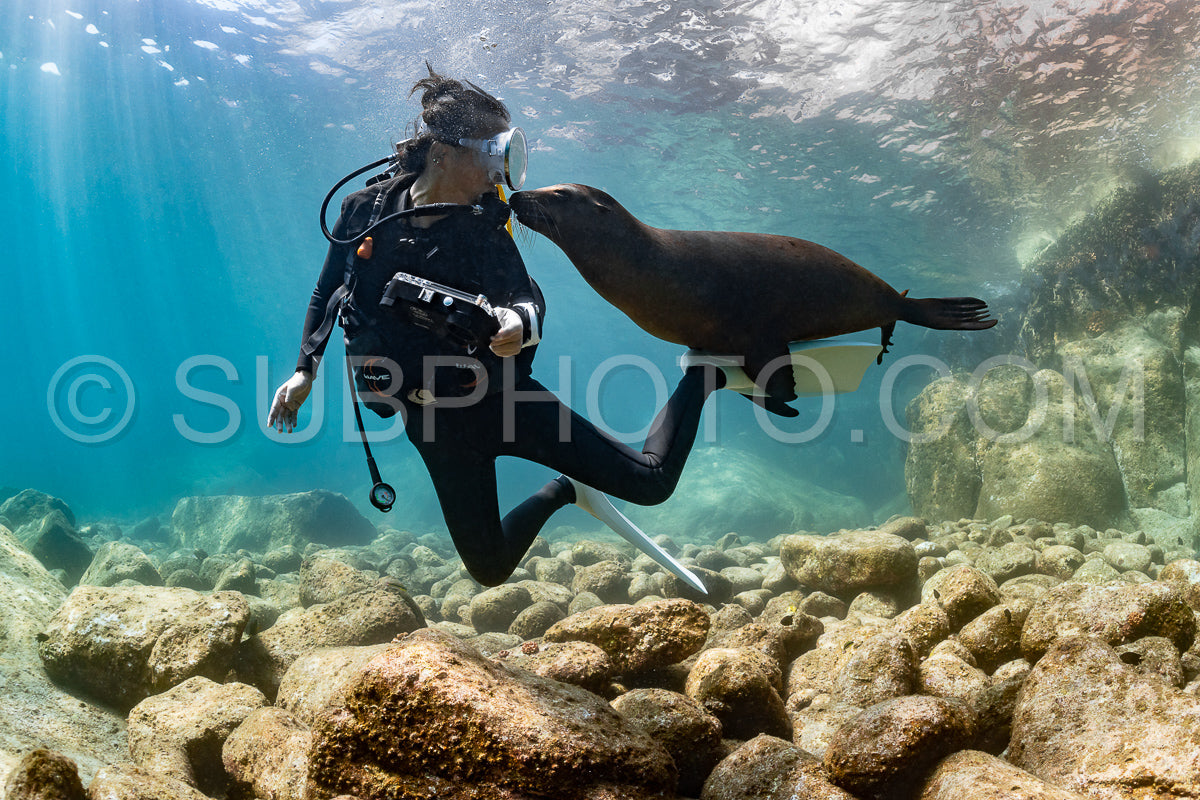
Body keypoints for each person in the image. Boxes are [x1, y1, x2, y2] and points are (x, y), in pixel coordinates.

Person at [267, 67, 723, 587]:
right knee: (488, 569)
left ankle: (705, 373)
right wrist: (304, 371)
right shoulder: (361, 212)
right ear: (443, 153)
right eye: (492, 155)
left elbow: (526, 296)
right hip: (432, 423)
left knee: (650, 483)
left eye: (509, 156)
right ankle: (566, 491)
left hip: (502, 400)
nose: (501, 174)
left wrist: (519, 321)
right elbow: (328, 291)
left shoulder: (484, 225)